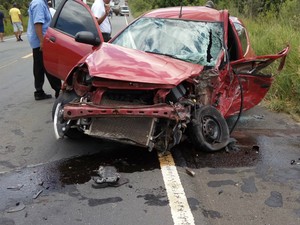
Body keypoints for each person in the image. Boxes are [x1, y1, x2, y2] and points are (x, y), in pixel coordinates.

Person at [27, 0, 61, 100]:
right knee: (49, 65)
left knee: (39, 67)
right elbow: (38, 23)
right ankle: (59, 90)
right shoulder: (39, 4)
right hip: (41, 41)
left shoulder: (40, 3)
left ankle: (39, 92)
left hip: (37, 41)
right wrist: (42, 41)